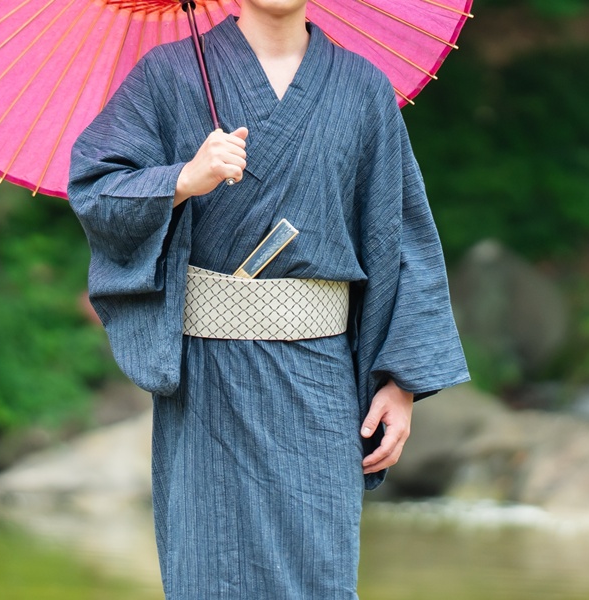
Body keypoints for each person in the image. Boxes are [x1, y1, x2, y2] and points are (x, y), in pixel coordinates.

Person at [68, 0, 469, 597]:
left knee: (318, 573)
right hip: (208, 381)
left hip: (318, 381)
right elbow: (97, 188)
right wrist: (182, 179)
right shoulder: (169, 75)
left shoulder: (362, 89)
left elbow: (402, 235)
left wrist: (401, 382)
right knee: (211, 569)